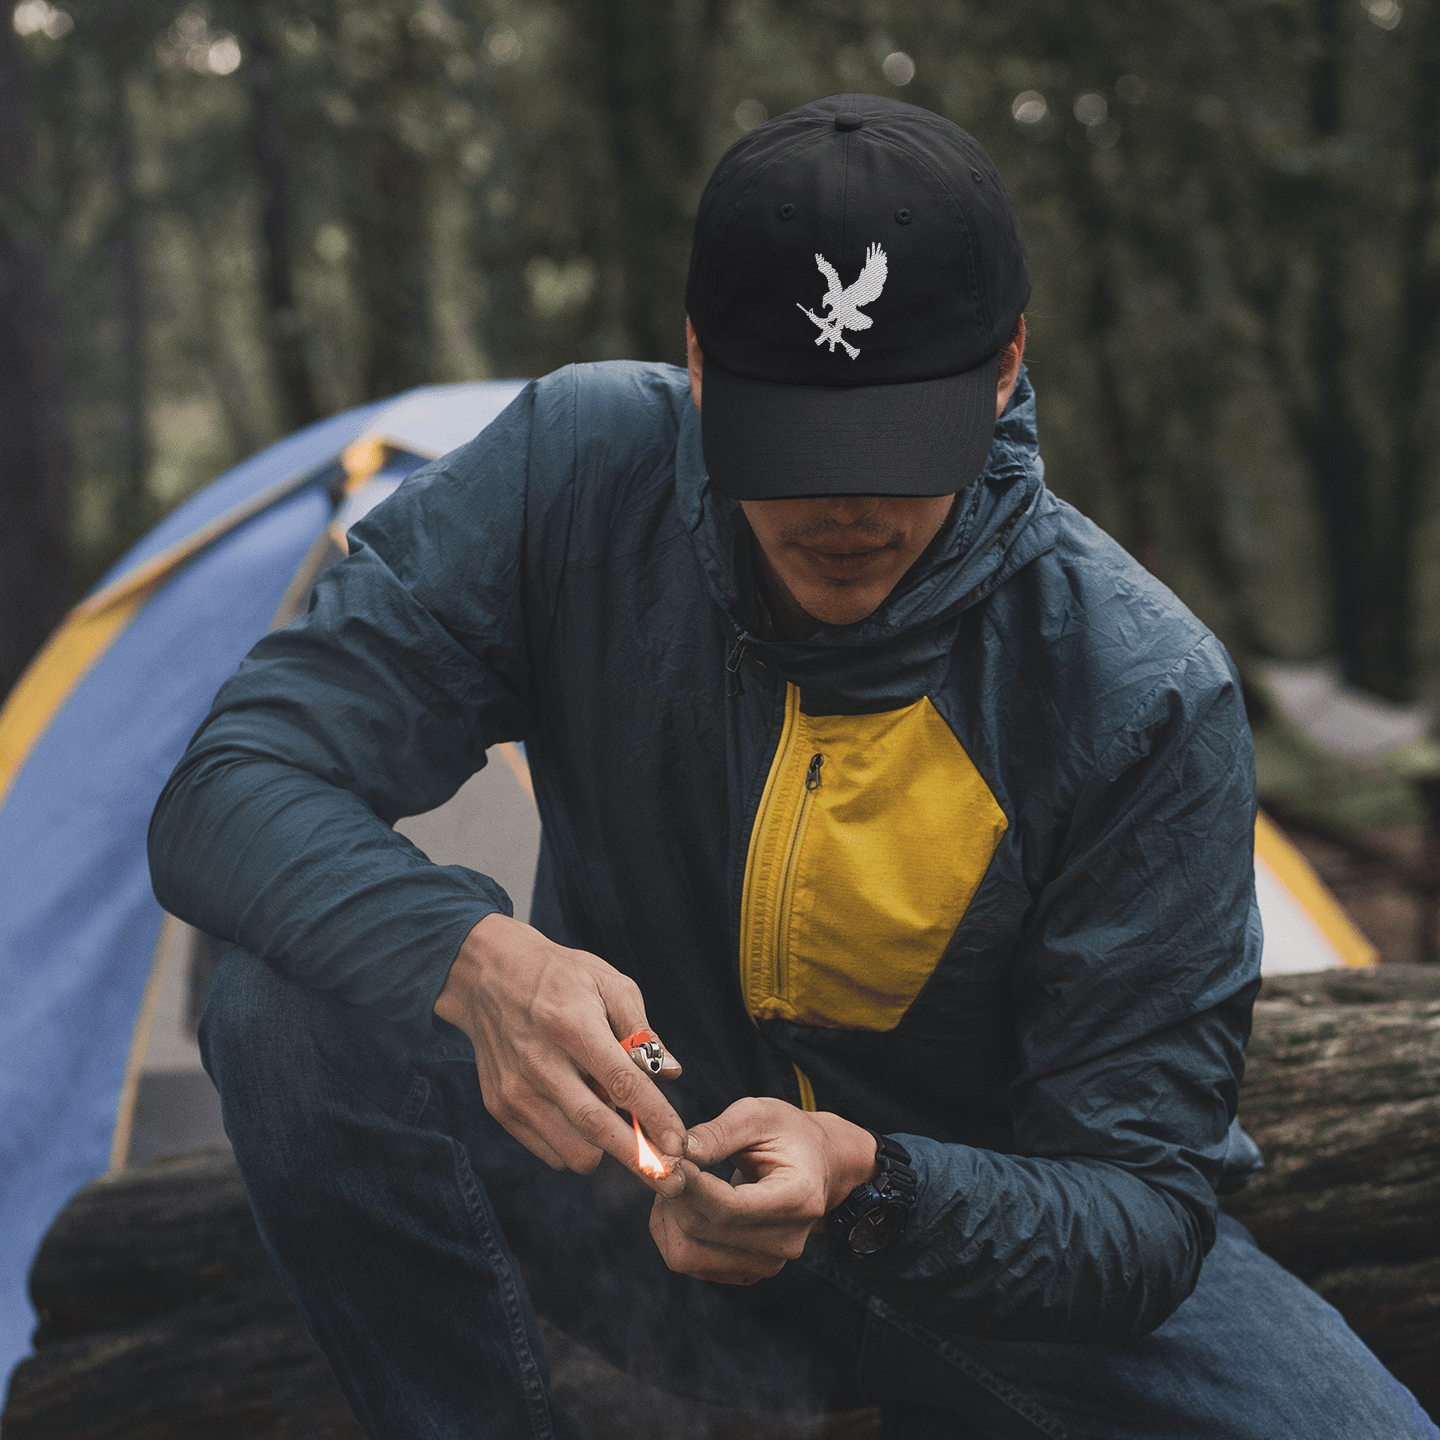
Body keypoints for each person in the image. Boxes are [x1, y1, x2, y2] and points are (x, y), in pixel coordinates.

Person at [148, 94, 1435, 1439]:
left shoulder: (1136, 685)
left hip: (964, 1239)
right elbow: (230, 784)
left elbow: (1142, 1209)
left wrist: (867, 1182)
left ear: (1005, 366)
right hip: (629, 1175)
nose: (846, 510)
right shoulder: (576, 477)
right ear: (700, 362)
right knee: (289, 1006)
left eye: (896, 445)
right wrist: (480, 962)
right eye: (796, 445)